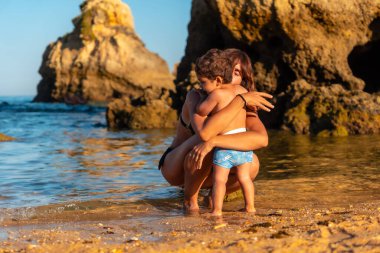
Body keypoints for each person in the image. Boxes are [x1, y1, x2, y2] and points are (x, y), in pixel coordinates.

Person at [158, 48, 274, 212]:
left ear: (243, 78)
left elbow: (261, 139)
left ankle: (213, 199)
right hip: (176, 165)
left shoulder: (244, 100)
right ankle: (190, 200)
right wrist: (239, 101)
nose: (230, 77)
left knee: (251, 162)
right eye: (228, 70)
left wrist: (214, 142)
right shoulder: (197, 97)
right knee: (204, 141)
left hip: (215, 164)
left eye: (236, 72)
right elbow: (205, 134)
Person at [194, 49, 255, 216]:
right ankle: (250, 207)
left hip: (225, 146)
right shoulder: (242, 91)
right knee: (245, 178)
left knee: (219, 180)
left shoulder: (217, 94)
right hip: (242, 145)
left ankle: (217, 210)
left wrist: (200, 98)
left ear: (218, 80)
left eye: (203, 83)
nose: (201, 86)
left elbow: (201, 110)